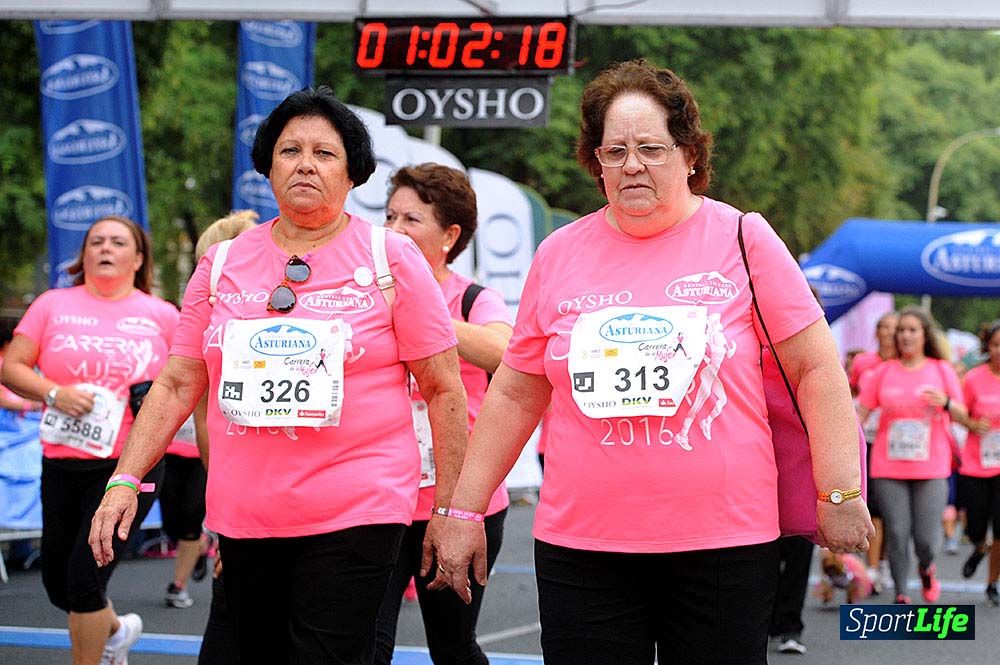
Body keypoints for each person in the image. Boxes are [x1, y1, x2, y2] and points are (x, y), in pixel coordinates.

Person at [431, 60, 872, 665]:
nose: (632, 164)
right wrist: (463, 509)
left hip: (724, 544)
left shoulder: (744, 238)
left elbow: (816, 370)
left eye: (651, 148)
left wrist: (841, 492)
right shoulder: (559, 253)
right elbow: (515, 392)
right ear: (596, 162)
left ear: (689, 156)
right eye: (615, 151)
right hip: (582, 547)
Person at [88, 86, 468, 665]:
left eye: (325, 153)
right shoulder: (222, 262)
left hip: (358, 509)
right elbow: (175, 382)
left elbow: (443, 388)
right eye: (290, 150)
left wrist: (449, 511)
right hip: (247, 516)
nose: (306, 165)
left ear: (353, 172)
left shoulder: (390, 257)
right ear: (268, 166)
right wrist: (124, 479)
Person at [1, 215, 174, 665]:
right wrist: (53, 393)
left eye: (118, 242)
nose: (105, 248)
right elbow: (12, 367)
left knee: (84, 580)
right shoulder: (53, 305)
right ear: (83, 255)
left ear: (138, 258)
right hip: (62, 460)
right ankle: (116, 631)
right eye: (96, 241)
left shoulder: (162, 315)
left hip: (130, 466)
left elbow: (187, 385)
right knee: (58, 584)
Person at [377, 163, 513, 665]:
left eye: (411, 220)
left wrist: (423, 313)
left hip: (458, 502)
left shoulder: (474, 298)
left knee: (452, 646)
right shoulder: (368, 293)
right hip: (379, 500)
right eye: (388, 216)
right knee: (366, 644)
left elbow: (504, 351)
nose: (393, 230)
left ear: (450, 235)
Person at [857, 305, 966, 604]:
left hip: (931, 466)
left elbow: (962, 414)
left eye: (912, 330)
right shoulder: (882, 372)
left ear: (924, 335)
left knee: (925, 538)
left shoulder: (940, 369)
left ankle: (926, 566)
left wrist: (945, 403)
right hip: (888, 465)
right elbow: (860, 413)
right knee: (896, 530)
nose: (905, 335)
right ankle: (901, 592)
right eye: (901, 330)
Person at [955, 319, 1000, 606]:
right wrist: (972, 423)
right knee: (975, 525)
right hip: (975, 464)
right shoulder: (973, 378)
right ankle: (978, 546)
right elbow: (957, 412)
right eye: (996, 345)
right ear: (987, 347)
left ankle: (992, 582)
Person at [852, 311, 898, 593]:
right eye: (882, 327)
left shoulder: (905, 365)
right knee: (874, 509)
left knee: (891, 512)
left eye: (893, 328)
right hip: (867, 440)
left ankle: (881, 563)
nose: (888, 333)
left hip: (894, 444)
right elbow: (850, 389)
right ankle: (872, 568)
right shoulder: (863, 362)